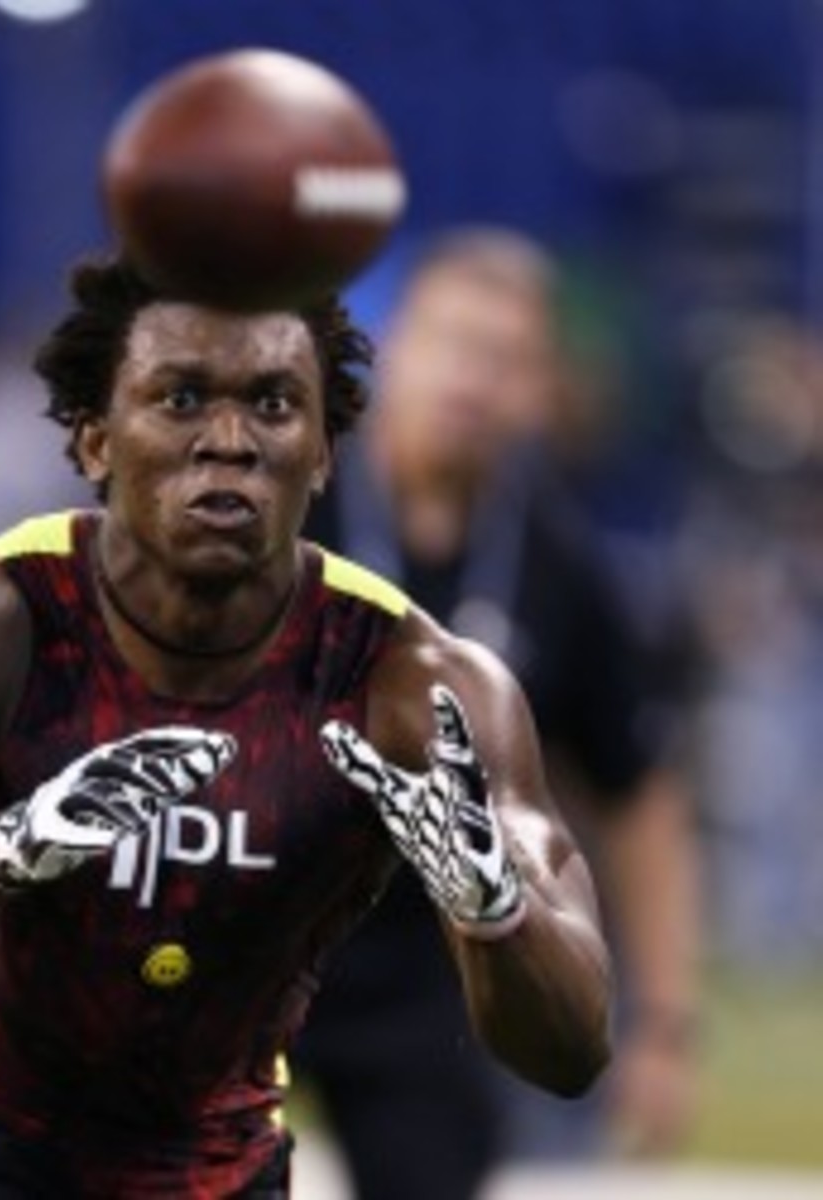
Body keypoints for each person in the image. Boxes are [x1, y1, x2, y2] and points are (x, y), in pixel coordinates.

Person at [0, 256, 612, 1198]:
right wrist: (12, 842)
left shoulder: (415, 679)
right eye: (183, 398)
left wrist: (498, 914)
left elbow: (573, 1048)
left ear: (325, 452)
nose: (230, 441)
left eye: (276, 405)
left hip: (210, 1171)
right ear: (93, 440)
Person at [296, 229, 699, 1198]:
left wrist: (667, 1026)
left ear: (542, 391)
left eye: (505, 359)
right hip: (249, 915)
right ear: (391, 348)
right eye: (452, 344)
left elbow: (642, 792)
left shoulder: (566, 565)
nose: (472, 382)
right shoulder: (285, 498)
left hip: (429, 959)